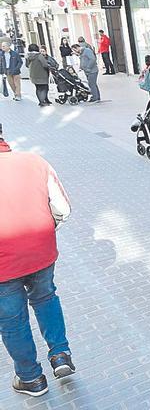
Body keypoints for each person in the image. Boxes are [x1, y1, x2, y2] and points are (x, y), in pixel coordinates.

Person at [0, 123, 75, 397]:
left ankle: (31, 378)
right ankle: (60, 355)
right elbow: (63, 208)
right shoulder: (35, 161)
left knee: (12, 319)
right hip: (41, 251)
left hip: (3, 263)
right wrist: (43, 230)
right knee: (45, 298)